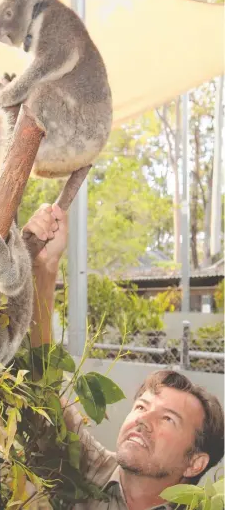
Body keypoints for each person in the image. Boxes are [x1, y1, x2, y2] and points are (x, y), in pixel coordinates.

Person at [22, 204, 224, 510]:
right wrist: (44, 269)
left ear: (194, 463)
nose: (143, 420)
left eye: (168, 419)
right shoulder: (86, 468)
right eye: (142, 406)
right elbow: (42, 384)